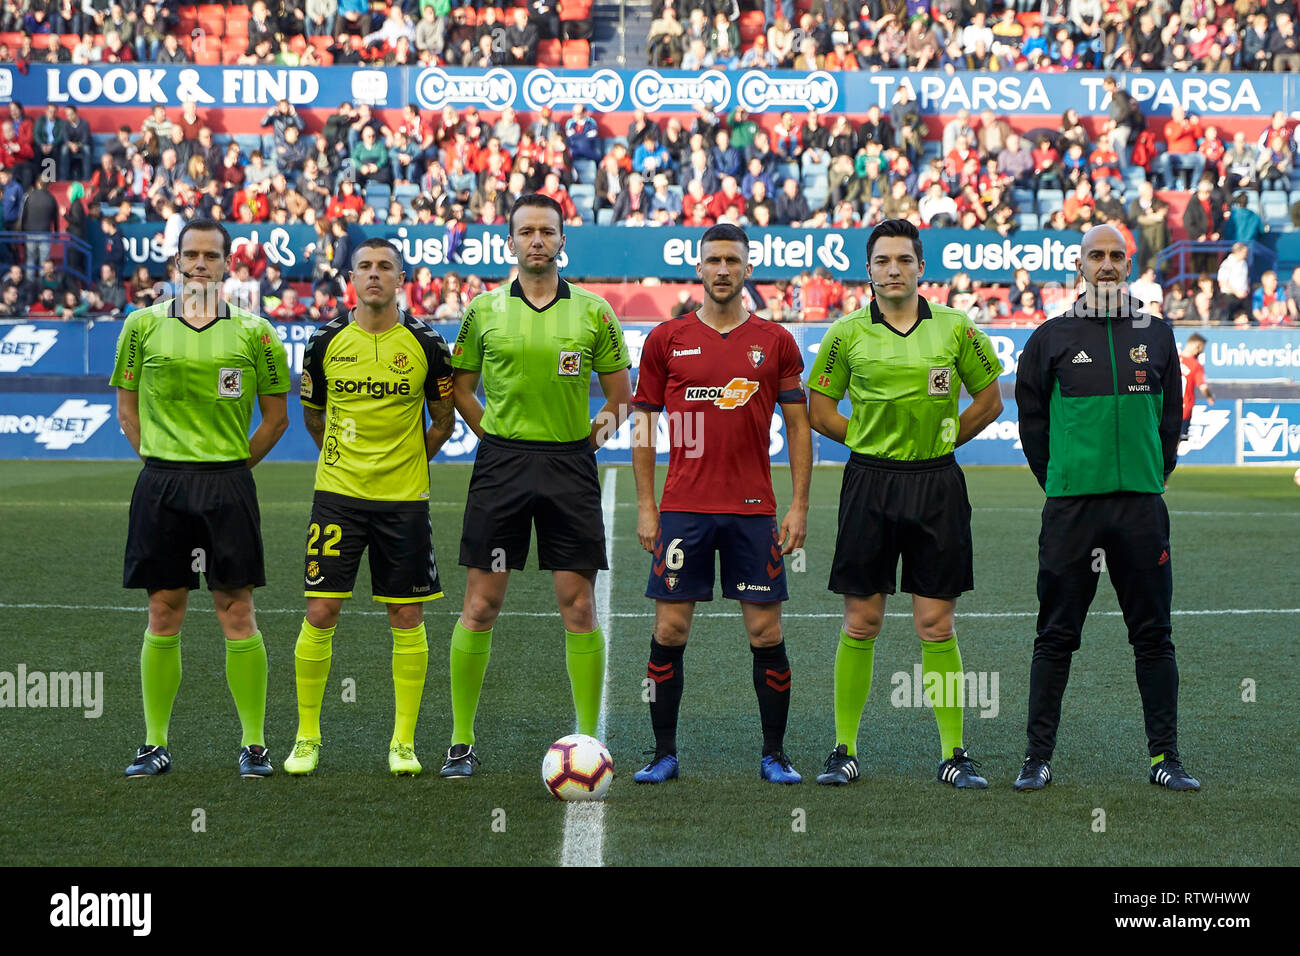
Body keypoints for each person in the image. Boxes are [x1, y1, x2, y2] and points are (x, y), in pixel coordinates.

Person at [805, 218, 1004, 789]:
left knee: (936, 625)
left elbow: (989, 400)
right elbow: (820, 412)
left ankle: (953, 753)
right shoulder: (846, 334)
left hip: (937, 485)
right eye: (882, 261)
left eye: (904, 260)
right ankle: (844, 748)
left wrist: (943, 441)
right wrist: (871, 441)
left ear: (921, 267)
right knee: (862, 620)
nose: (893, 269)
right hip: (869, 482)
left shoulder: (956, 329)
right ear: (868, 270)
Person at [440, 194, 633, 777]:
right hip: (502, 465)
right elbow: (461, 386)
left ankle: (590, 739)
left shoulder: (595, 311)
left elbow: (621, 396)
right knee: (481, 604)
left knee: (577, 605)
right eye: (526, 231)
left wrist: (588, 442)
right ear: (511, 242)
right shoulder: (483, 310)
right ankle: (460, 740)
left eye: (547, 231)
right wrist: (491, 436)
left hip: (569, 468)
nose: (537, 240)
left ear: (561, 241)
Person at [1013, 223, 1198, 792]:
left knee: (1153, 636)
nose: (1109, 264)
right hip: (1072, 511)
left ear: (1129, 262)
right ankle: (1037, 757)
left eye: (1118, 255)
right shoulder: (1050, 337)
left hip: (1142, 510)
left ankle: (1164, 758)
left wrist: (1151, 473)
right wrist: (1062, 481)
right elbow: (1032, 424)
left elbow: (1173, 419)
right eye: (1098, 255)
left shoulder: (1159, 334)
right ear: (1080, 264)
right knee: (1056, 635)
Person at [628, 224, 812, 785]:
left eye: (733, 260)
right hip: (683, 508)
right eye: (714, 260)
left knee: (766, 635)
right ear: (700, 267)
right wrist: (645, 505)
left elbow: (800, 427)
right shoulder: (666, 339)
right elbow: (643, 424)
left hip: (753, 511)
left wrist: (799, 504)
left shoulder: (775, 340)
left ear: (748, 267)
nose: (724, 269)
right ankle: (664, 753)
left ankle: (774, 753)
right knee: (670, 632)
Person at [109, 219, 290, 779]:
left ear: (227, 266)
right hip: (161, 484)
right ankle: (153, 743)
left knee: (237, 609)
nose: (200, 264)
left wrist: (233, 467)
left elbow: (277, 418)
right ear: (177, 261)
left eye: (211, 255)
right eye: (191, 254)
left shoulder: (255, 332)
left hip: (227, 485)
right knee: (164, 610)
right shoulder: (141, 327)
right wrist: (160, 460)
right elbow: (126, 409)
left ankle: (254, 744)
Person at [285, 238, 456, 777]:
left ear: (401, 277)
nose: (375, 274)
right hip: (338, 496)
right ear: (351, 278)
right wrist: (343, 460)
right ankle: (307, 737)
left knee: (406, 615)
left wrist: (409, 462)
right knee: (321, 611)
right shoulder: (324, 341)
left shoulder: (428, 344)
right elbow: (314, 416)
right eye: (365, 267)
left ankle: (403, 743)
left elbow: (444, 420)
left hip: (404, 500)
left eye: (385, 266)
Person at [1178, 332, 1214, 444]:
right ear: (1197, 346)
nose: (1201, 352)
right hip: (1184, 410)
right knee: (1176, 444)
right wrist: (1210, 397)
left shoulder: (1172, 358)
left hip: (1167, 409)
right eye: (1201, 349)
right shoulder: (1195, 365)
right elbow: (1203, 387)